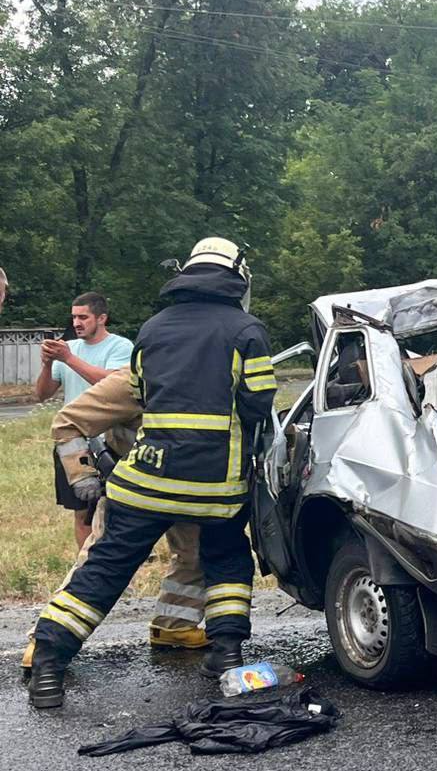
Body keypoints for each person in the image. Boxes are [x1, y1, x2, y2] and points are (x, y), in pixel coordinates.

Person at [29, 238, 277, 709]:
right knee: (226, 560)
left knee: (105, 568)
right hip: (216, 489)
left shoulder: (153, 328)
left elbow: (140, 392)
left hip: (145, 481)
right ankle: (226, 654)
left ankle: (48, 664)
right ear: (237, 276)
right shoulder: (247, 330)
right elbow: (258, 401)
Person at [20, 368, 211, 671]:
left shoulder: (208, 376)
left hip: (187, 487)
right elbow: (67, 421)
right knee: (98, 565)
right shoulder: (134, 379)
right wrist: (81, 474)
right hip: (133, 493)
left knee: (195, 555)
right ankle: (45, 642)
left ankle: (175, 625)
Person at [35, 292, 134, 549]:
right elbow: (42, 394)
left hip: (112, 443)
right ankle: (86, 571)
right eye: (74, 317)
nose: (77, 323)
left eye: (83, 317)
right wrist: (47, 364)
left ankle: (117, 572)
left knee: (118, 512)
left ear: (102, 318)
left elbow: (112, 386)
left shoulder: (121, 348)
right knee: (83, 513)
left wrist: (68, 358)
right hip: (73, 445)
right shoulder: (70, 348)